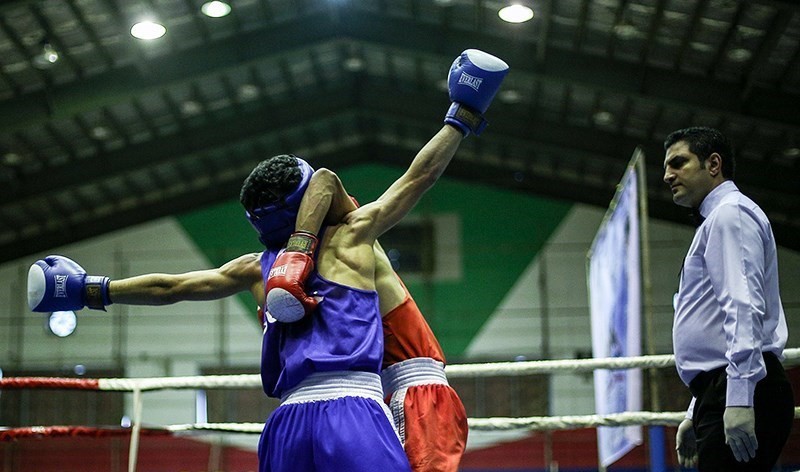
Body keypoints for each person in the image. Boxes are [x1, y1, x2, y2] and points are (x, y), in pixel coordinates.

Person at [26, 48, 509, 472]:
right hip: (353, 410)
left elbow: (170, 288)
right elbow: (416, 176)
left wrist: (89, 289)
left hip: (285, 422)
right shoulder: (352, 238)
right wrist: (461, 116)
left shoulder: (251, 267)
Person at [267, 169, 468, 471]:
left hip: (410, 395)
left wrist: (299, 248)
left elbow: (326, 179)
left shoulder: (357, 237)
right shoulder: (332, 264)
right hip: (388, 394)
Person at [663, 127, 794, 471]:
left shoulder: (729, 214)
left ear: (713, 164)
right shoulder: (717, 220)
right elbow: (716, 324)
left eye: (678, 163)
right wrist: (698, 408)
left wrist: (738, 399)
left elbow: (742, 306)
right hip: (724, 389)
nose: (667, 175)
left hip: (741, 388)